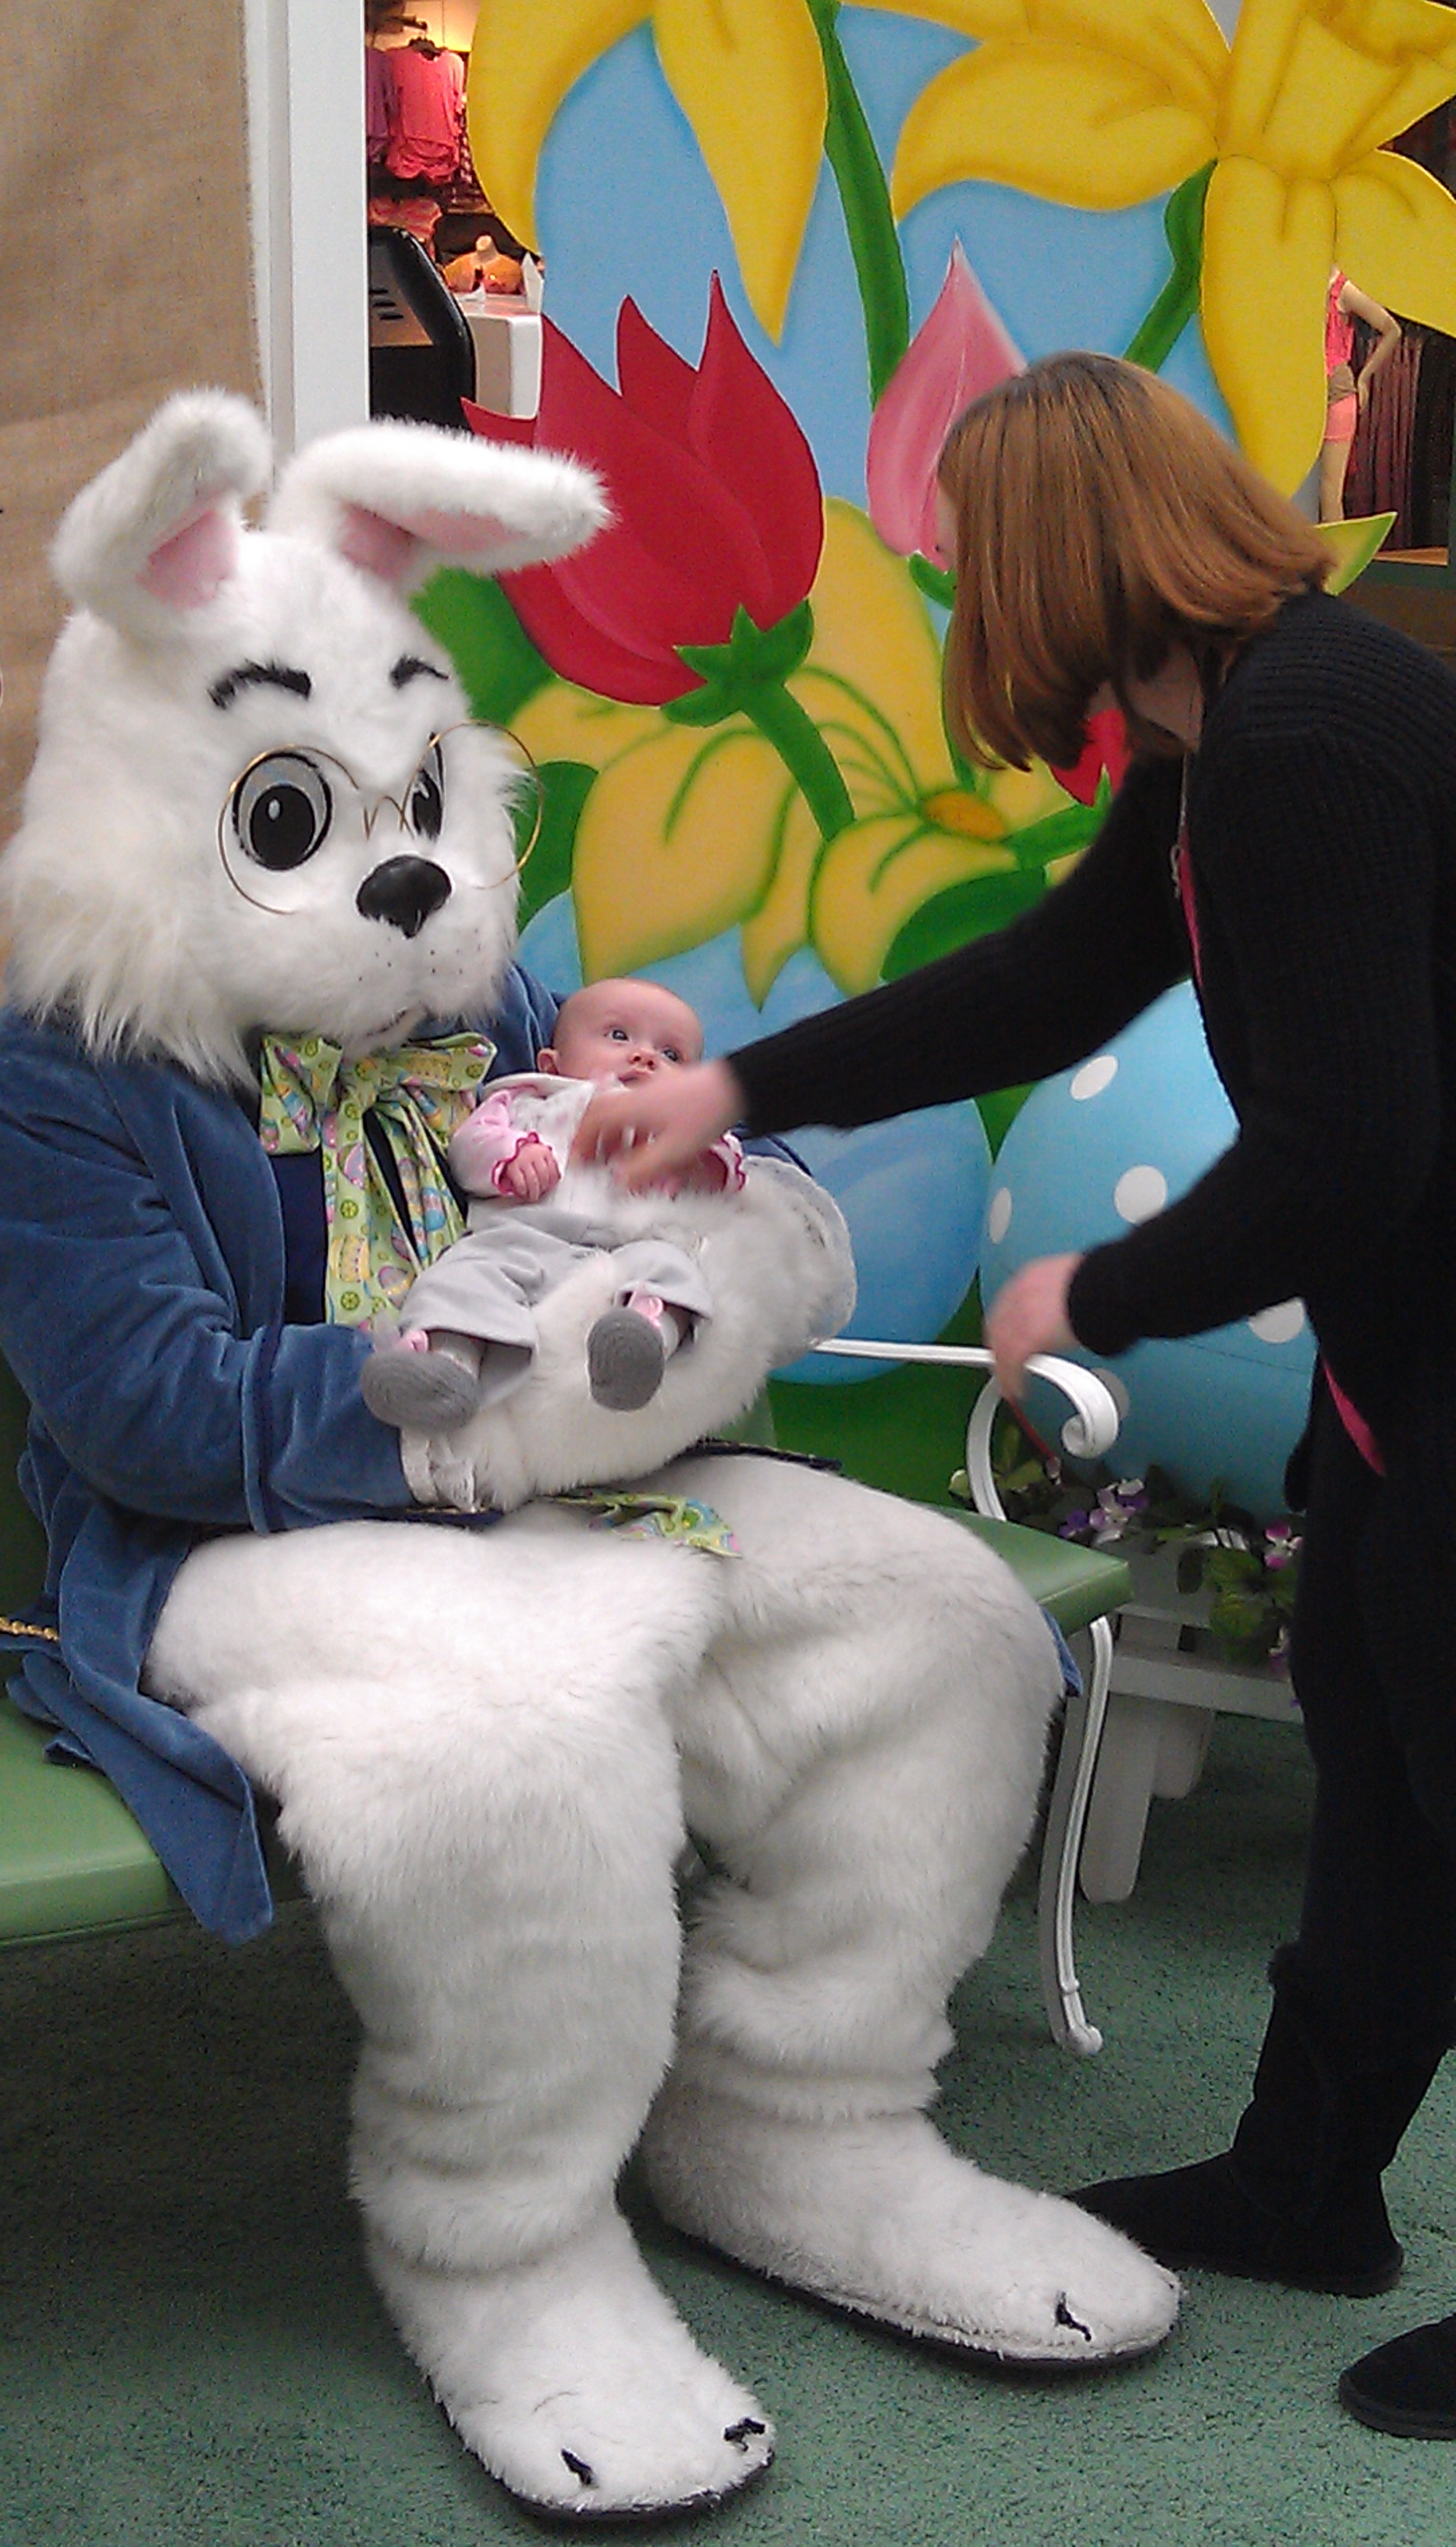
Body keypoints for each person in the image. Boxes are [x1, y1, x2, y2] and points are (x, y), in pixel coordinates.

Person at [574, 349, 1456, 2442]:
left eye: (969, 553)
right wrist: (736, 1086)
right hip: (1401, 1367)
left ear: (1063, 554)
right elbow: (1060, 979)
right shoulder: (1217, 726)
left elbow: (1356, 1150)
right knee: (1382, 1742)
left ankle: (1314, 2180)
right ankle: (1306, 2187)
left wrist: (1093, 1287)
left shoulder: (1303, 741)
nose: (954, 585)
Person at [360, 974, 745, 1430]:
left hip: (626, 1245)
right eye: (618, 1035)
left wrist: (694, 1157)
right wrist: (512, 1156)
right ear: (553, 1061)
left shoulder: (678, 1123)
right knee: (463, 1274)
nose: (645, 1056)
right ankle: (447, 1365)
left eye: (672, 1055)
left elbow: (730, 1171)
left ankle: (642, 1343)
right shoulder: (526, 1099)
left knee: (674, 1269)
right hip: (521, 1236)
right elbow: (468, 1145)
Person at [1319, 269, 1401, 524]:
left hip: (1336, 391)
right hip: (1302, 393)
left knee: (1329, 492)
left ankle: (1338, 563)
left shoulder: (1342, 288)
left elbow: (1392, 330)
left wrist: (1364, 376)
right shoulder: (1297, 279)